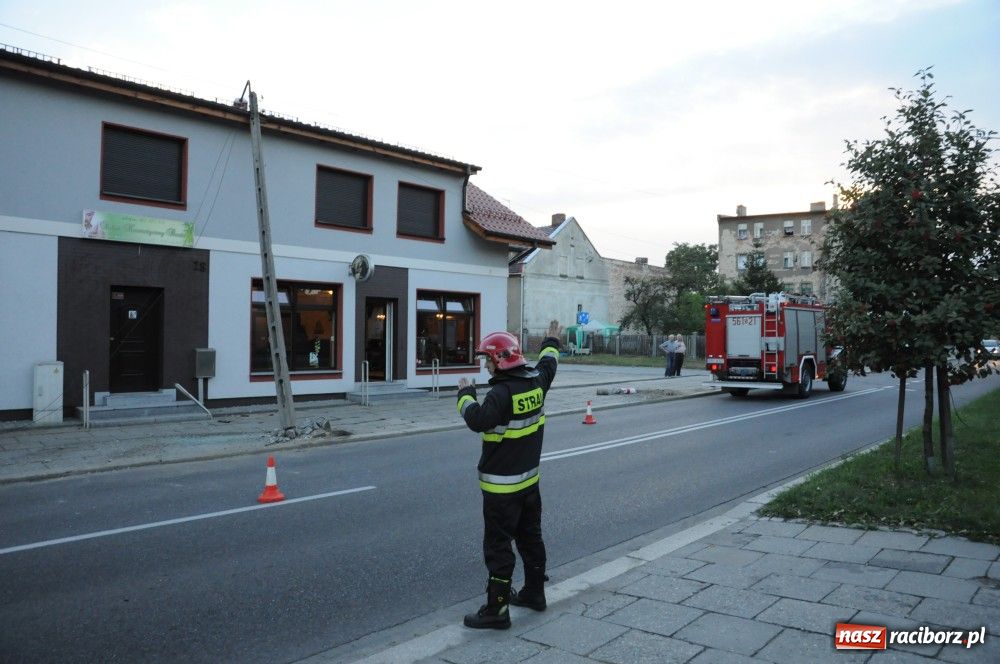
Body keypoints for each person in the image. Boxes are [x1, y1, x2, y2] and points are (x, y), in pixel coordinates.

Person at [457, 331, 560, 630]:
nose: (485, 366)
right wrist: (551, 342)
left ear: (500, 359)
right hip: (529, 484)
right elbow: (549, 364)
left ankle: (497, 610)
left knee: (499, 547)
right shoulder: (536, 381)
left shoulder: (500, 394)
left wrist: (464, 395)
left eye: (487, 359)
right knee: (531, 537)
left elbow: (477, 420)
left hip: (501, 489)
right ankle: (534, 593)